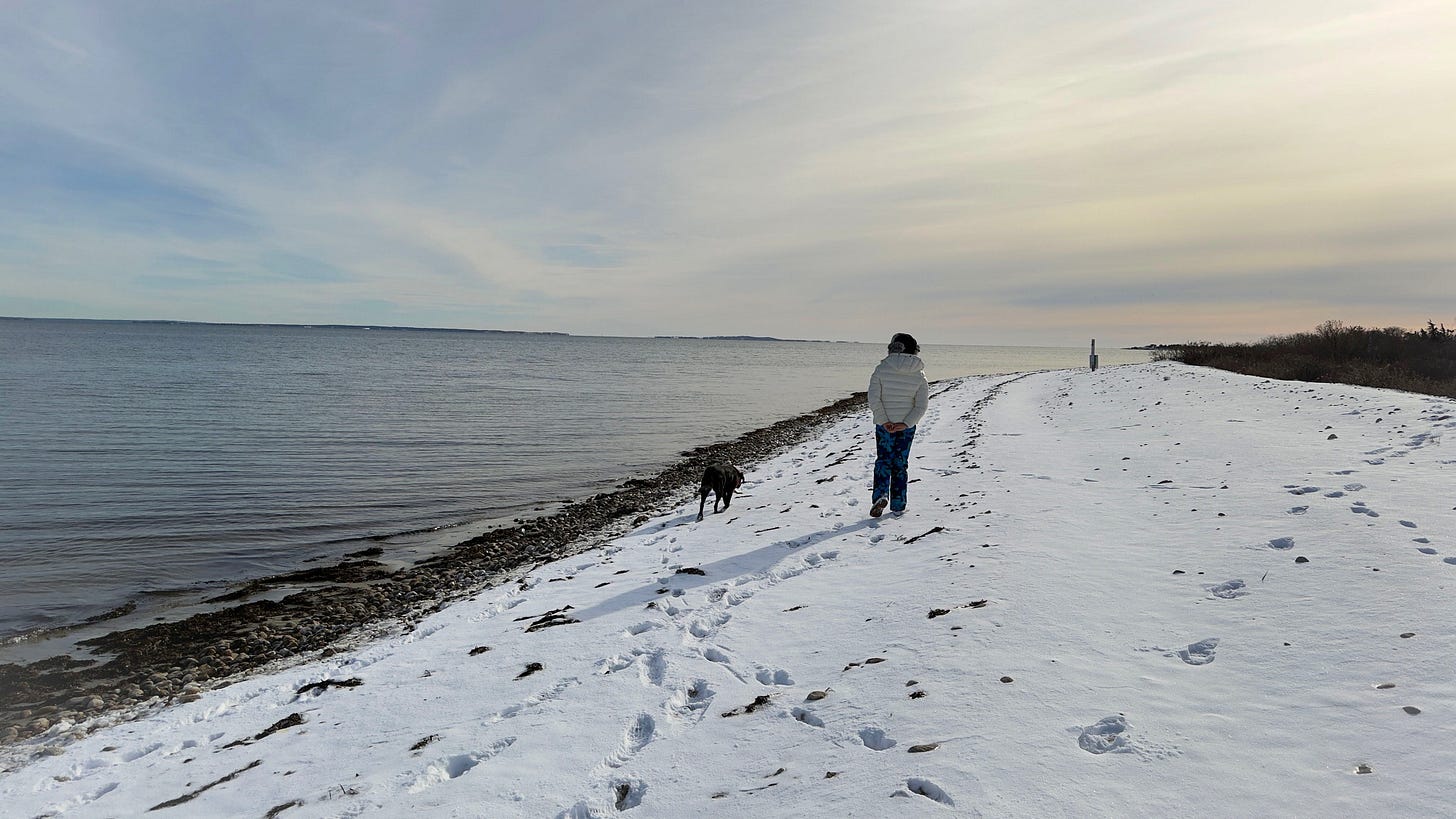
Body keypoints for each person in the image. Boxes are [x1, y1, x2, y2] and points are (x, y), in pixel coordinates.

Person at [867, 332, 929, 517]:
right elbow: (921, 405)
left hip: (884, 425)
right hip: (906, 428)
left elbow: (873, 398)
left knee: (884, 460)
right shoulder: (919, 375)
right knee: (900, 463)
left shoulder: (881, 369)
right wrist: (906, 423)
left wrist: (884, 420)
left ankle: (880, 495)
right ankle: (899, 504)